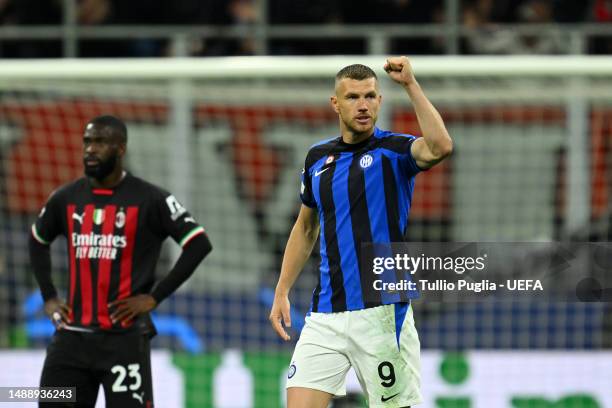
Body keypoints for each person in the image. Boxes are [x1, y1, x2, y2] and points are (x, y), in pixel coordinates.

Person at [269, 56, 453, 408]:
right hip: (325, 314)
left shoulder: (394, 151)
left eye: (370, 96)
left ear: (380, 101)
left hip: (382, 314)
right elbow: (305, 226)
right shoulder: (316, 159)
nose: (363, 105)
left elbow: (441, 146)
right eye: (353, 97)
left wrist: (410, 85)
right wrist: (282, 289)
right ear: (335, 104)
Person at [29, 115, 212, 407]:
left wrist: (153, 298)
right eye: (87, 142)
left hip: (124, 341)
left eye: (100, 142)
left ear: (121, 148)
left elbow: (198, 243)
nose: (90, 149)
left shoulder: (150, 199)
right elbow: (38, 240)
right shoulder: (65, 198)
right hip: (70, 343)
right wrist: (49, 297)